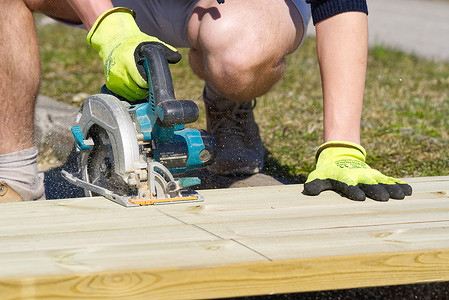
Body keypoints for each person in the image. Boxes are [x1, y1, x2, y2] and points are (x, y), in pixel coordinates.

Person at [0, 0, 412, 203]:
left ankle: (227, 108)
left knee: (241, 54)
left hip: (230, 7)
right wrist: (110, 29)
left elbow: (338, 3)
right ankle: (14, 174)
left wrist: (342, 144)